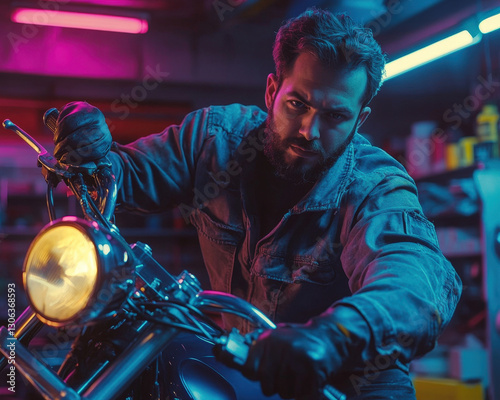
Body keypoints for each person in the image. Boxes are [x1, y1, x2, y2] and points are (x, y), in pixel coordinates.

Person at [53, 8, 462, 400]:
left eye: (335, 116)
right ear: (271, 91)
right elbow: (129, 178)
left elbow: (414, 285)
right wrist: (93, 159)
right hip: (247, 370)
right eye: (297, 104)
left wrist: (332, 338)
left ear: (360, 120)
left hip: (348, 384)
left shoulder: (377, 187)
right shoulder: (214, 140)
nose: (308, 132)